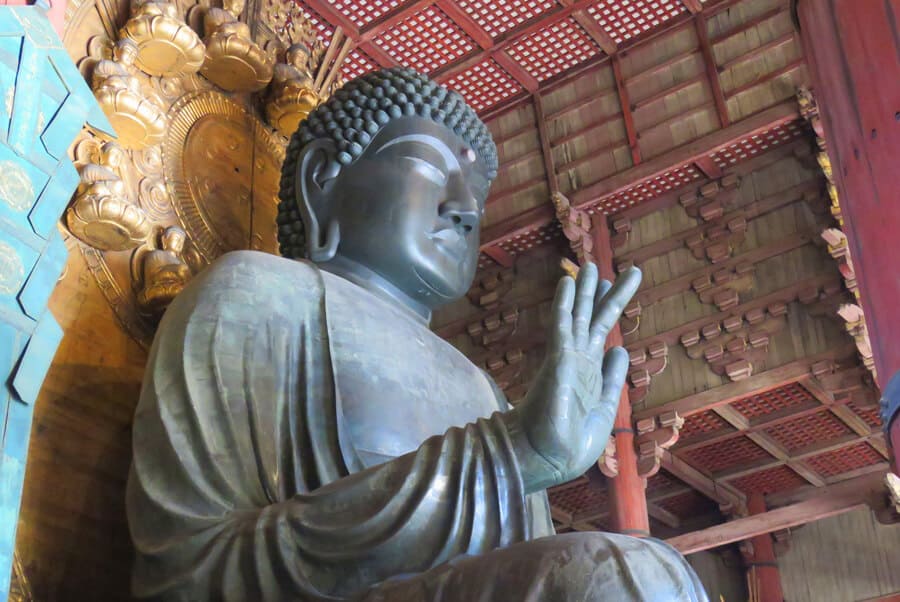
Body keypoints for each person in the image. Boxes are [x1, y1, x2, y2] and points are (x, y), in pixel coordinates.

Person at [127, 67, 707, 601]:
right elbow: (188, 573)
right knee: (615, 581)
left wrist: (518, 456)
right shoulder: (255, 295)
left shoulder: (483, 391)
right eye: (430, 168)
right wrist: (508, 455)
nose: (464, 210)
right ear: (322, 178)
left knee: (651, 572)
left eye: (476, 195)